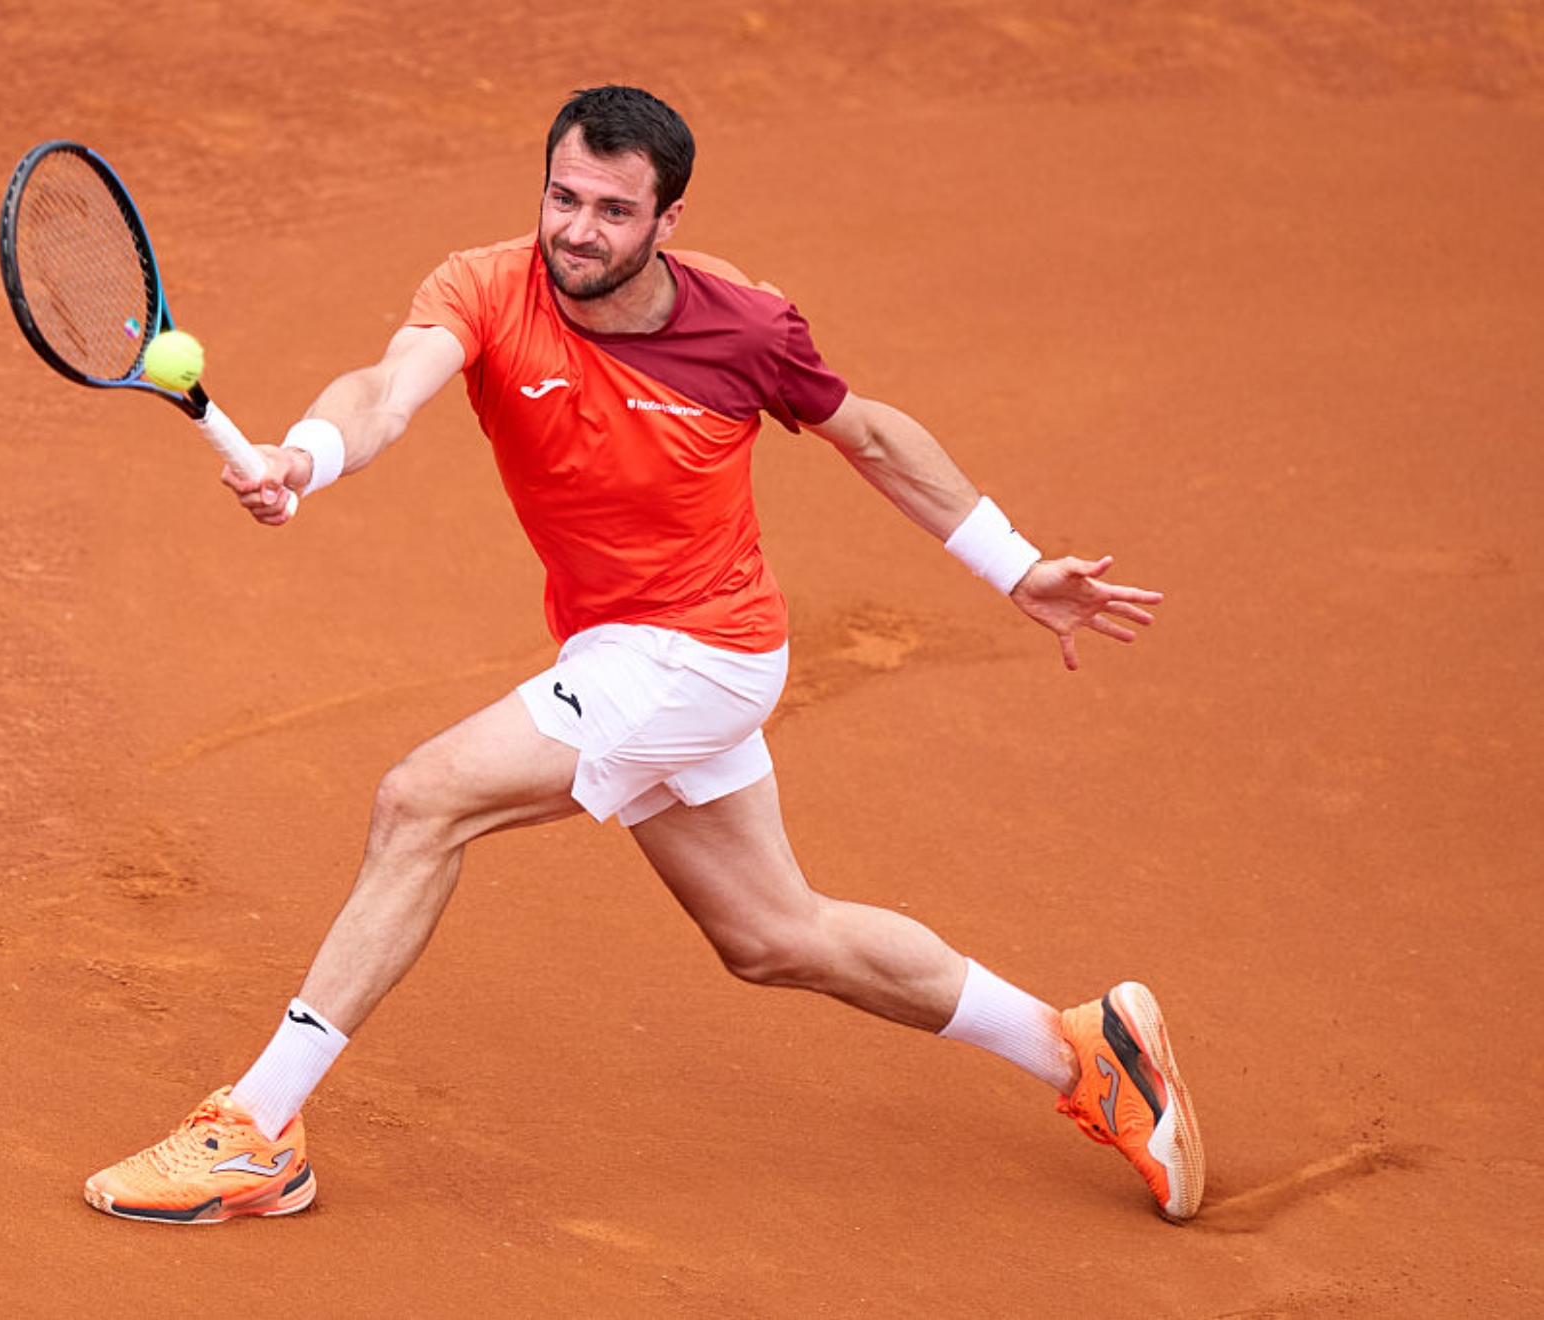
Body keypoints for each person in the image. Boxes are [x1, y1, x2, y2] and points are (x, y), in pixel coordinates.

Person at [83, 85, 1203, 1226]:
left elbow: (869, 433)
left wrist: (1014, 568)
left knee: (423, 801)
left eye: (614, 210)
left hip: (700, 654)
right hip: (625, 649)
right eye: (563, 197)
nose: (578, 229)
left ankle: (257, 1133)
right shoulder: (484, 285)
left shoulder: (745, 328)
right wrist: (306, 457)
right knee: (775, 937)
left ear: (666, 220)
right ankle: (1086, 1054)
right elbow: (384, 391)